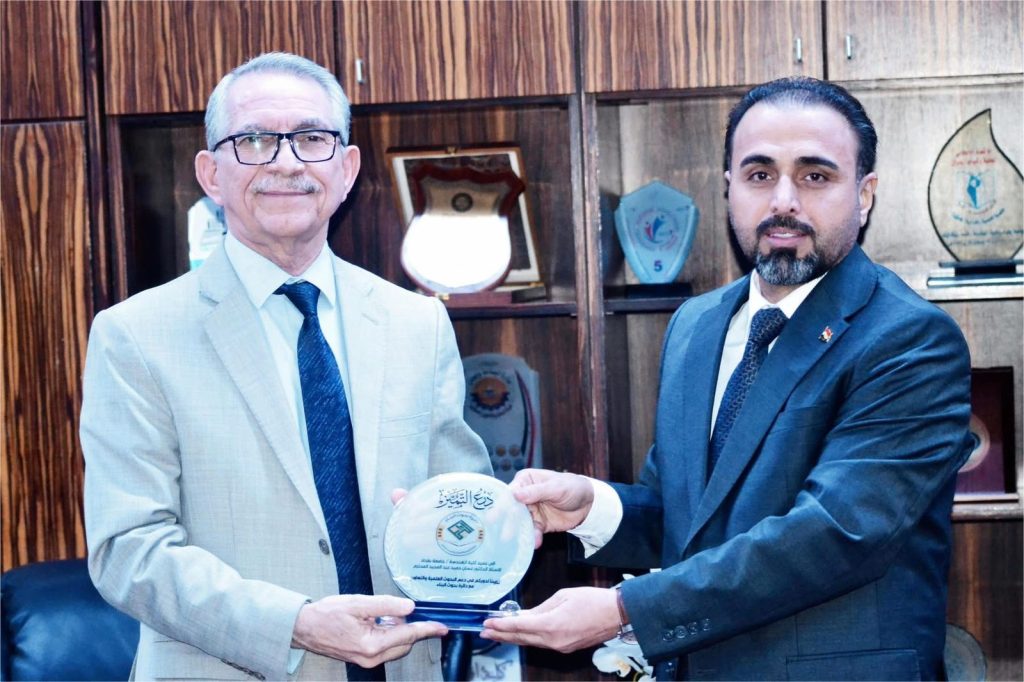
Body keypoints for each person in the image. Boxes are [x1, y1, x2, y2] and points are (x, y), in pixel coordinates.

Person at [481, 77, 972, 681]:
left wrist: (623, 609)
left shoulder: (909, 338)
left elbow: (836, 535)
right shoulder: (696, 325)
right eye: (759, 174)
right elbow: (688, 517)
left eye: (815, 176)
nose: (784, 201)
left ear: (864, 194)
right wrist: (591, 508)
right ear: (728, 188)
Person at [81, 52, 491, 681]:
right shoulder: (135, 335)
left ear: (346, 169)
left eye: (311, 138)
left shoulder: (418, 323)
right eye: (253, 141)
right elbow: (128, 551)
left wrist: (500, 528)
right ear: (211, 174)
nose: (286, 162)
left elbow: (455, 506)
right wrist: (295, 623)